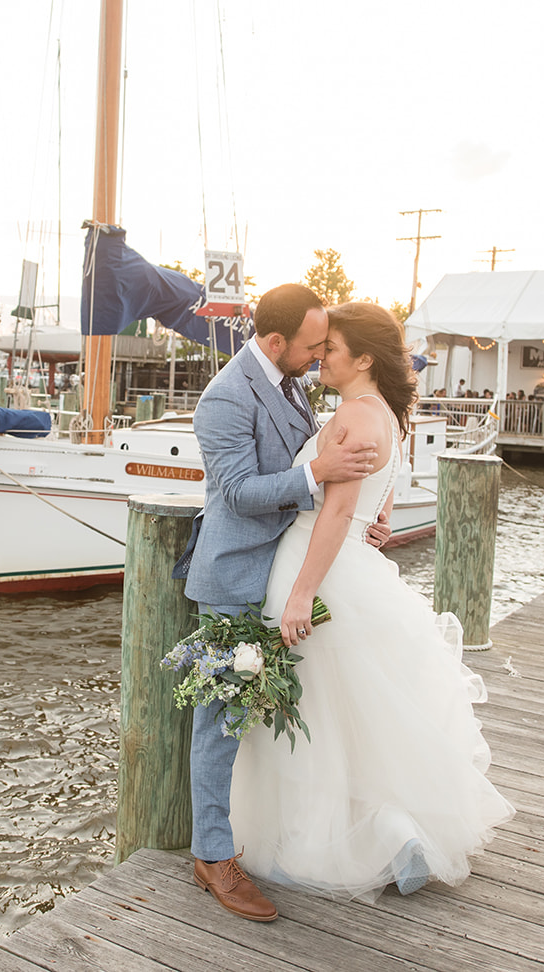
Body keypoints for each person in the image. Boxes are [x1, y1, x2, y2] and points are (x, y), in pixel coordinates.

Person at [229, 302, 514, 902]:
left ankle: (328, 842)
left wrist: (302, 593)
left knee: (308, 718)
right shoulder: (385, 415)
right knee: (346, 717)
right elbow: (370, 503)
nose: (319, 356)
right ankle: (394, 829)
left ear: (362, 357)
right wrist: (374, 521)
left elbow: (334, 511)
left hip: (317, 566)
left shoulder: (354, 418)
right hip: (357, 567)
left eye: (330, 347)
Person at [178, 283, 388, 922]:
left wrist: (354, 525)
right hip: (236, 574)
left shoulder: (294, 379)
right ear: (276, 342)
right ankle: (212, 855)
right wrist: (321, 475)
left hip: (284, 569)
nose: (321, 353)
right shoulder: (223, 398)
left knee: (277, 715)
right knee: (220, 716)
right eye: (313, 344)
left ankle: (271, 833)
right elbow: (238, 493)